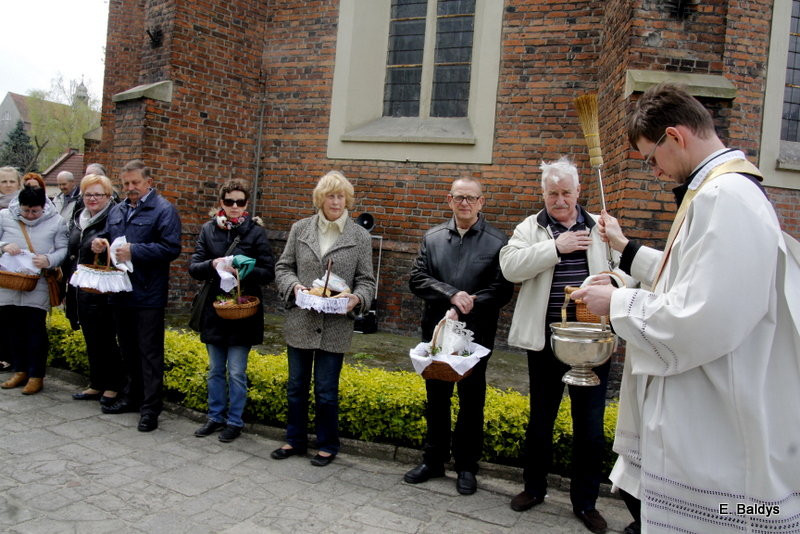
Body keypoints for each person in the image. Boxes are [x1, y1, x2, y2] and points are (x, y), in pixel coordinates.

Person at [572, 83, 800, 533]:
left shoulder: (725, 198)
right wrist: (626, 258)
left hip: (718, 419)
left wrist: (616, 302)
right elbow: (691, 276)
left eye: (650, 159)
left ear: (674, 136)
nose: (655, 171)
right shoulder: (719, 192)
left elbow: (702, 316)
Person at [498, 156, 629, 533]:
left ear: (578, 191)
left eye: (566, 193)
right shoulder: (531, 227)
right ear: (543, 193)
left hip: (593, 339)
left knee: (590, 425)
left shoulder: (602, 226)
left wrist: (613, 284)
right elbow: (510, 267)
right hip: (547, 339)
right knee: (541, 418)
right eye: (552, 193)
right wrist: (556, 247)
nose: (559, 200)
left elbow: (628, 272)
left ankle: (585, 503)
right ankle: (533, 488)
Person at [405, 177, 513, 495]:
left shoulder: (497, 241)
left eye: (471, 198)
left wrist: (468, 303)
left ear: (482, 202)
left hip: (475, 334)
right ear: (449, 200)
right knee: (436, 397)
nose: (465, 203)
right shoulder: (433, 238)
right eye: (459, 197)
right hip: (438, 330)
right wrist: (451, 294)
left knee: (471, 399)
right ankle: (433, 460)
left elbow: (502, 289)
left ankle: (467, 466)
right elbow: (417, 278)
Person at [272, 170, 375, 466]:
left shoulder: (360, 236)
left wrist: (357, 299)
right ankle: (294, 439)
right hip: (302, 321)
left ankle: (328, 444)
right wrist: (295, 287)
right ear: (320, 198)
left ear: (348, 200)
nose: (336, 201)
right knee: (296, 387)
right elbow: (283, 267)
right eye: (330, 196)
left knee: (326, 391)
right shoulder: (300, 228)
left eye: (341, 196)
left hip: (336, 326)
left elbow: (367, 281)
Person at [91, 159, 181, 432]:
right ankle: (132, 397)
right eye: (126, 183)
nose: (130, 187)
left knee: (149, 353)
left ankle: (151, 409)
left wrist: (135, 251)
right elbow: (107, 235)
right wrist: (99, 242)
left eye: (135, 183)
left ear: (148, 182)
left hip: (148, 294)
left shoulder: (163, 210)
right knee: (128, 349)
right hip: (120, 290)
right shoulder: (118, 209)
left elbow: (171, 248)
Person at [189, 180, 275, 443]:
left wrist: (243, 270)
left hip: (243, 311)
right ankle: (215, 417)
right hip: (215, 309)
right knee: (215, 369)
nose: (235, 206)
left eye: (240, 202)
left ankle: (235, 421)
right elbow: (194, 267)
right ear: (221, 203)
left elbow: (268, 273)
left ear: (247, 204)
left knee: (236, 371)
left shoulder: (255, 233)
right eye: (229, 201)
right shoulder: (208, 229)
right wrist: (213, 264)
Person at [63, 174, 123, 407]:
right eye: (88, 194)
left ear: (108, 196)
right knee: (91, 337)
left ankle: (113, 385)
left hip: (103, 288)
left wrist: (103, 245)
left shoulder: (114, 217)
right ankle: (96, 383)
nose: (93, 199)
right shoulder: (80, 217)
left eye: (98, 194)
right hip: (81, 285)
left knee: (106, 338)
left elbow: (119, 246)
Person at [0, 186, 68, 394]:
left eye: (35, 211)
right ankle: (20, 370)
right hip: (9, 282)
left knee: (35, 330)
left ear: (43, 207)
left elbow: (63, 249)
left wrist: (49, 259)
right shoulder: (4, 216)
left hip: (38, 284)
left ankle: (36, 375)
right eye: (25, 210)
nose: (29, 215)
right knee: (13, 329)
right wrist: (3, 246)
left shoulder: (56, 221)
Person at [0, 166, 21, 372]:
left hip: (17, 270)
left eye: (11, 181)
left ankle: (13, 357)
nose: (7, 185)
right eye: (3, 181)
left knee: (12, 316)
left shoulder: (24, 206)